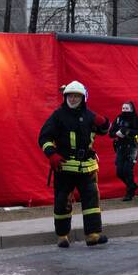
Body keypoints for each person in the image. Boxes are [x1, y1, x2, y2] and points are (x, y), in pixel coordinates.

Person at [38, 81, 111, 248]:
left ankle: (92, 234)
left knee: (91, 202)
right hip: (65, 167)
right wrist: (52, 154)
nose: (73, 98)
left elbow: (104, 131)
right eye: (70, 95)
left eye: (76, 96)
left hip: (88, 167)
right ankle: (62, 235)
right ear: (65, 97)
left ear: (82, 98)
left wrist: (104, 122)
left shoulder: (90, 115)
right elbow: (44, 137)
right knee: (62, 201)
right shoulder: (58, 115)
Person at [110, 101, 138, 201]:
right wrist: (117, 133)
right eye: (123, 108)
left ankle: (129, 193)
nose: (124, 110)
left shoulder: (136, 119)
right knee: (119, 172)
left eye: (127, 108)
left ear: (131, 109)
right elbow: (110, 133)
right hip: (120, 147)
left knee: (127, 170)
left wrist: (128, 131)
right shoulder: (118, 119)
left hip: (132, 146)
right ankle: (132, 185)